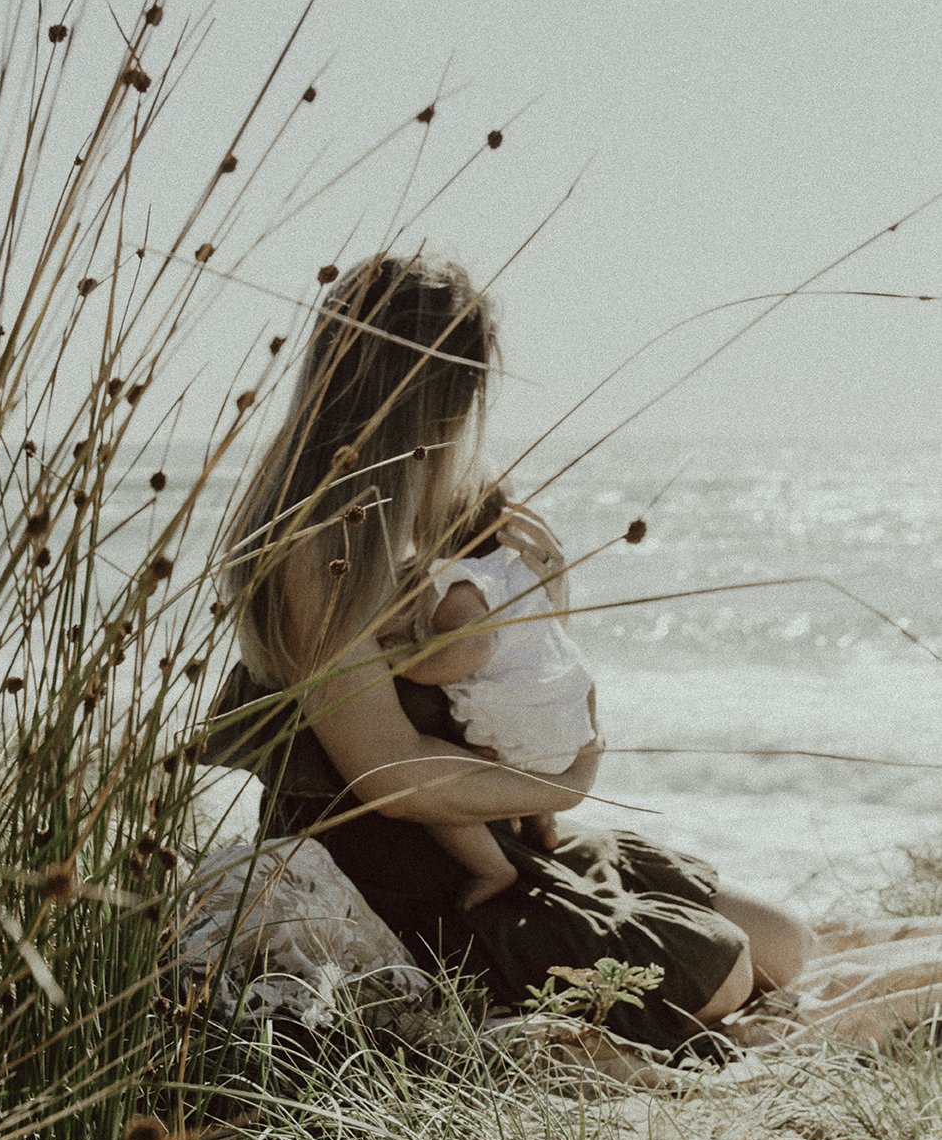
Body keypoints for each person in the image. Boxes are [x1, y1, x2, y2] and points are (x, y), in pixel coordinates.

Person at [207, 253, 811, 1054]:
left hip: (494, 836)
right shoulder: (320, 546)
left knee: (785, 940)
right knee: (725, 973)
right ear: (445, 392)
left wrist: (543, 589)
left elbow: (514, 672)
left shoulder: (442, 504)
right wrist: (564, 782)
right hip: (403, 877)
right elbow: (391, 776)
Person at [399, 485, 600, 908]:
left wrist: (405, 664)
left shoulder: (459, 584)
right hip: (570, 721)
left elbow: (475, 648)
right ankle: (542, 820)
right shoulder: (523, 574)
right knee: (535, 752)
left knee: (440, 801)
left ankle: (491, 868)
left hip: (510, 736)